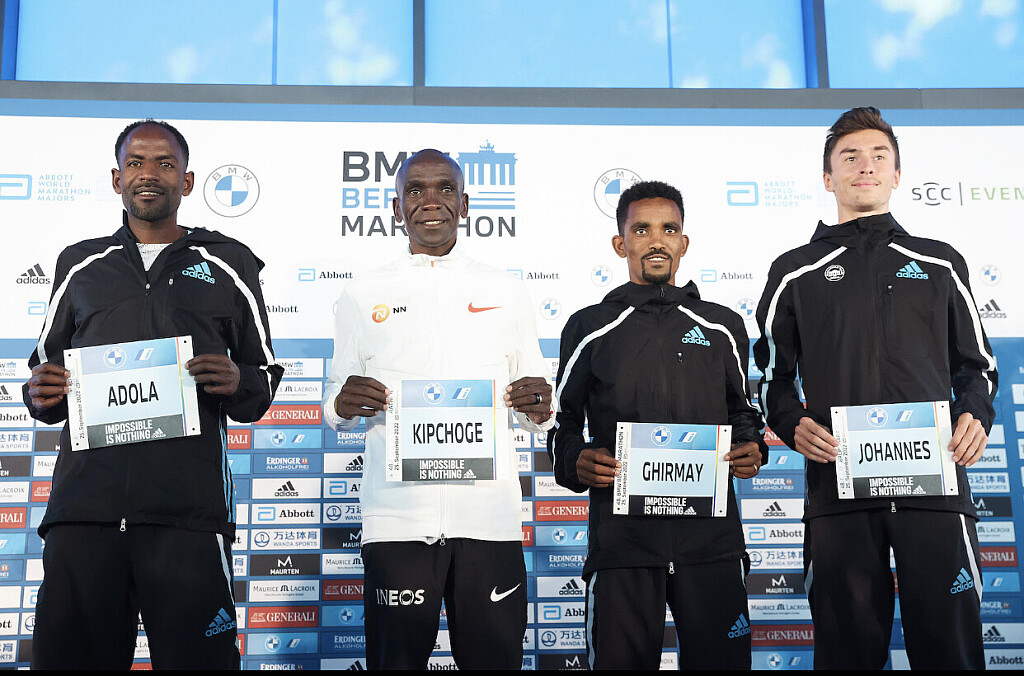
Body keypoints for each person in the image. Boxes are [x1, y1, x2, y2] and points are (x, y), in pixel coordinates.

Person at [24, 119, 283, 669]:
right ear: (116, 179)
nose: (149, 174)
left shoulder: (229, 261)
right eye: (136, 163)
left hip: (187, 513)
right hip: (85, 510)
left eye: (165, 164)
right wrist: (40, 393)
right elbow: (45, 371)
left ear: (186, 182)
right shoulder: (80, 263)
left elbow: (261, 378)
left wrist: (238, 380)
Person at [754, 107, 995, 669]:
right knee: (847, 654)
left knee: (952, 651)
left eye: (878, 156)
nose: (865, 166)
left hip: (935, 487)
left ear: (896, 174)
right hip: (838, 489)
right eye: (850, 157)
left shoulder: (939, 262)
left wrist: (975, 414)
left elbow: (977, 365)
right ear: (827, 177)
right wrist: (792, 423)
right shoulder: (794, 271)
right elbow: (770, 378)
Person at [322, 149, 554, 670]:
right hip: (397, 522)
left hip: (488, 522)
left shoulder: (507, 290)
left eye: (445, 188)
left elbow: (537, 405)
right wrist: (341, 403)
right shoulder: (362, 292)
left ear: (465, 204)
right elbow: (336, 401)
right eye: (415, 190)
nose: (431, 201)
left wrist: (541, 407)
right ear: (396, 208)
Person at [548, 180, 766, 670]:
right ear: (620, 243)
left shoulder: (723, 325)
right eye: (641, 229)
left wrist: (752, 446)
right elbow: (563, 424)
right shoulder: (589, 326)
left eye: (669, 229)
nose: (656, 240)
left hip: (711, 544)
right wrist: (575, 461)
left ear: (683, 243)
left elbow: (743, 414)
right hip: (622, 547)